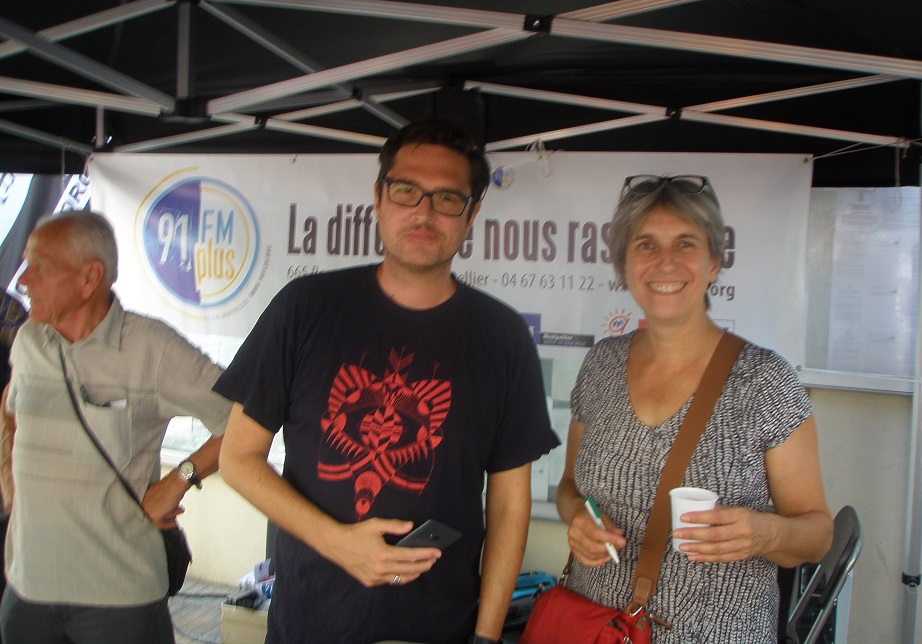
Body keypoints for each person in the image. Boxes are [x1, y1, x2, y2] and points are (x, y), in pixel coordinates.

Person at [215, 118, 559, 644]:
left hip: (441, 628)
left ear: (471, 215)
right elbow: (238, 458)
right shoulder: (305, 308)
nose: (424, 211)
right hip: (311, 623)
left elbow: (510, 506)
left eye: (448, 198)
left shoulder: (503, 337)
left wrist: (488, 638)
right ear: (377, 198)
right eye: (406, 190)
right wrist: (337, 542)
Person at [556, 174, 833, 643]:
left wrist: (765, 533)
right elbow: (570, 487)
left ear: (714, 262)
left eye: (685, 243)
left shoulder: (764, 380)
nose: (665, 262)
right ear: (624, 263)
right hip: (596, 628)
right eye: (645, 245)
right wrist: (578, 520)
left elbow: (818, 533)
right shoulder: (601, 364)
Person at [0, 210, 233, 644]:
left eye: (40, 266)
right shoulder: (29, 341)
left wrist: (179, 480)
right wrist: (7, 476)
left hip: (118, 602)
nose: (24, 279)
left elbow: (244, 417)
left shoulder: (152, 349)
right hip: (25, 592)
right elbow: (11, 407)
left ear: (90, 277)